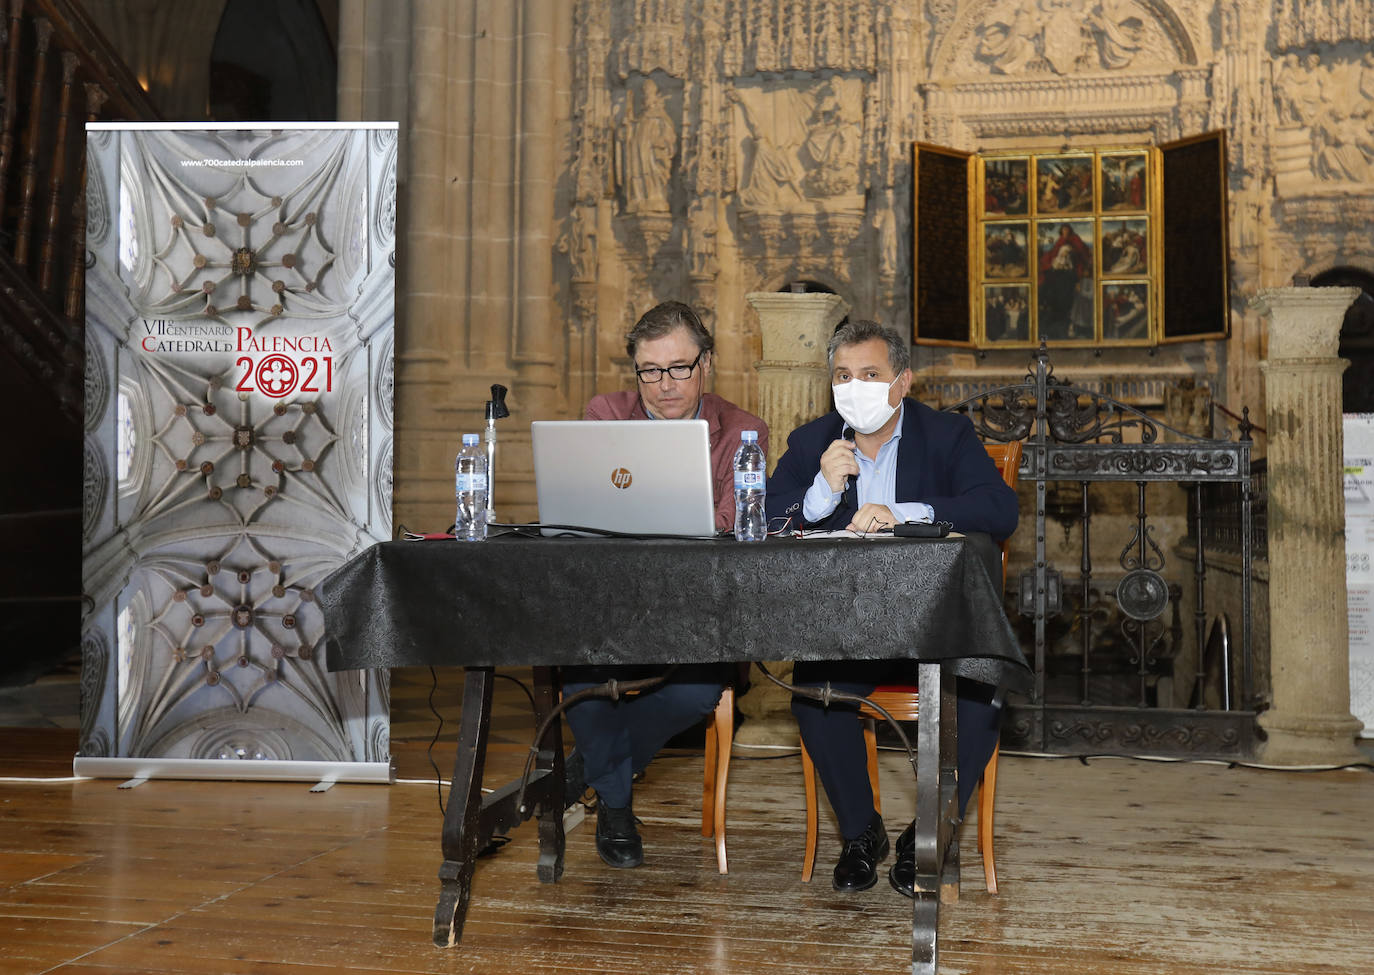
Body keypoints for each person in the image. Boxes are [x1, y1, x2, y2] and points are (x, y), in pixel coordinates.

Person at [765, 319, 1018, 896]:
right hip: (847, 627)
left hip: (935, 625)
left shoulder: (947, 434)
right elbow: (763, 524)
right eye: (843, 376)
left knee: (981, 695)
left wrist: (909, 513)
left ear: (902, 382)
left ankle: (922, 837)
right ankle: (861, 834)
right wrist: (820, 495)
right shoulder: (810, 444)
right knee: (814, 695)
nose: (855, 386)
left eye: (871, 374)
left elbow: (999, 510)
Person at [564, 300, 769, 870]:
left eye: (679, 367)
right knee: (580, 676)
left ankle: (597, 773)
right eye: (649, 370)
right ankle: (618, 805)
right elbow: (584, 513)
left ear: (708, 363)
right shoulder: (606, 414)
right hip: (613, 606)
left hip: (699, 612)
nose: (664, 384)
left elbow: (731, 525)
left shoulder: (744, 430)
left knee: (695, 690)